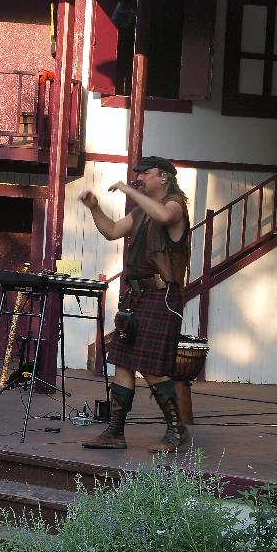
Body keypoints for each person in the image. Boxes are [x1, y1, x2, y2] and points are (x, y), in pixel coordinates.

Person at [78, 155, 191, 453]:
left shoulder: (175, 205)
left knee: (152, 367)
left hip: (161, 296)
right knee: (124, 362)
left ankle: (177, 431)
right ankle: (115, 432)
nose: (138, 177)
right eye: (136, 173)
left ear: (163, 177)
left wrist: (129, 191)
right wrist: (94, 208)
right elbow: (112, 230)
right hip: (136, 296)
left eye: (145, 173)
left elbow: (164, 216)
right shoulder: (141, 211)